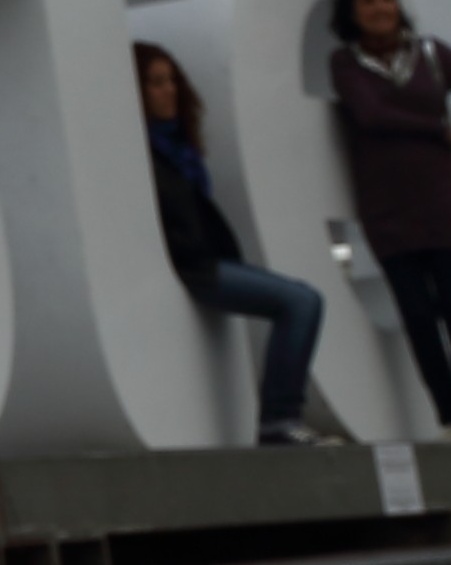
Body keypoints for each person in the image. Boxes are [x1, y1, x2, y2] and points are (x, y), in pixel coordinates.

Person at [322, 0, 451, 439]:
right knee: (418, 317)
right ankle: (449, 416)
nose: (381, 8)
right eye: (368, 1)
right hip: (387, 210)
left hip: (444, 199)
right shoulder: (345, 63)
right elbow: (371, 114)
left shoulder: (431, 53)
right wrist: (436, 131)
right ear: (351, 12)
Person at [134, 39, 326, 444]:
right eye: (154, 82)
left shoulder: (179, 150)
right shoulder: (142, 154)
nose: (168, 90)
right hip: (193, 266)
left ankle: (279, 417)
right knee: (301, 301)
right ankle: (278, 417)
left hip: (207, 261)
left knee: (301, 300)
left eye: (171, 80)